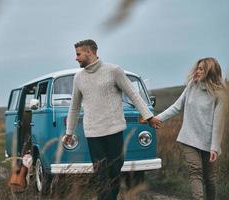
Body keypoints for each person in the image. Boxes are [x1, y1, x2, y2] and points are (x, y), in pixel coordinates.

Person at [63, 39, 160, 200]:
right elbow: (74, 107)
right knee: (100, 174)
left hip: (114, 131)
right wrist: (69, 132)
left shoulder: (113, 71)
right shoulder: (78, 78)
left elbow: (133, 94)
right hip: (93, 134)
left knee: (114, 171)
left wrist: (148, 116)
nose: (76, 58)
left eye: (78, 54)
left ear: (89, 52)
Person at [156, 57, 228, 200]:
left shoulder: (220, 94)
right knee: (195, 172)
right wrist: (158, 118)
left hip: (208, 142)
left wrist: (214, 146)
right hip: (189, 138)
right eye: (198, 68)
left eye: (202, 69)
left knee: (210, 179)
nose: (198, 71)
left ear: (210, 72)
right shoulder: (191, 86)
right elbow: (177, 107)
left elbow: (219, 122)